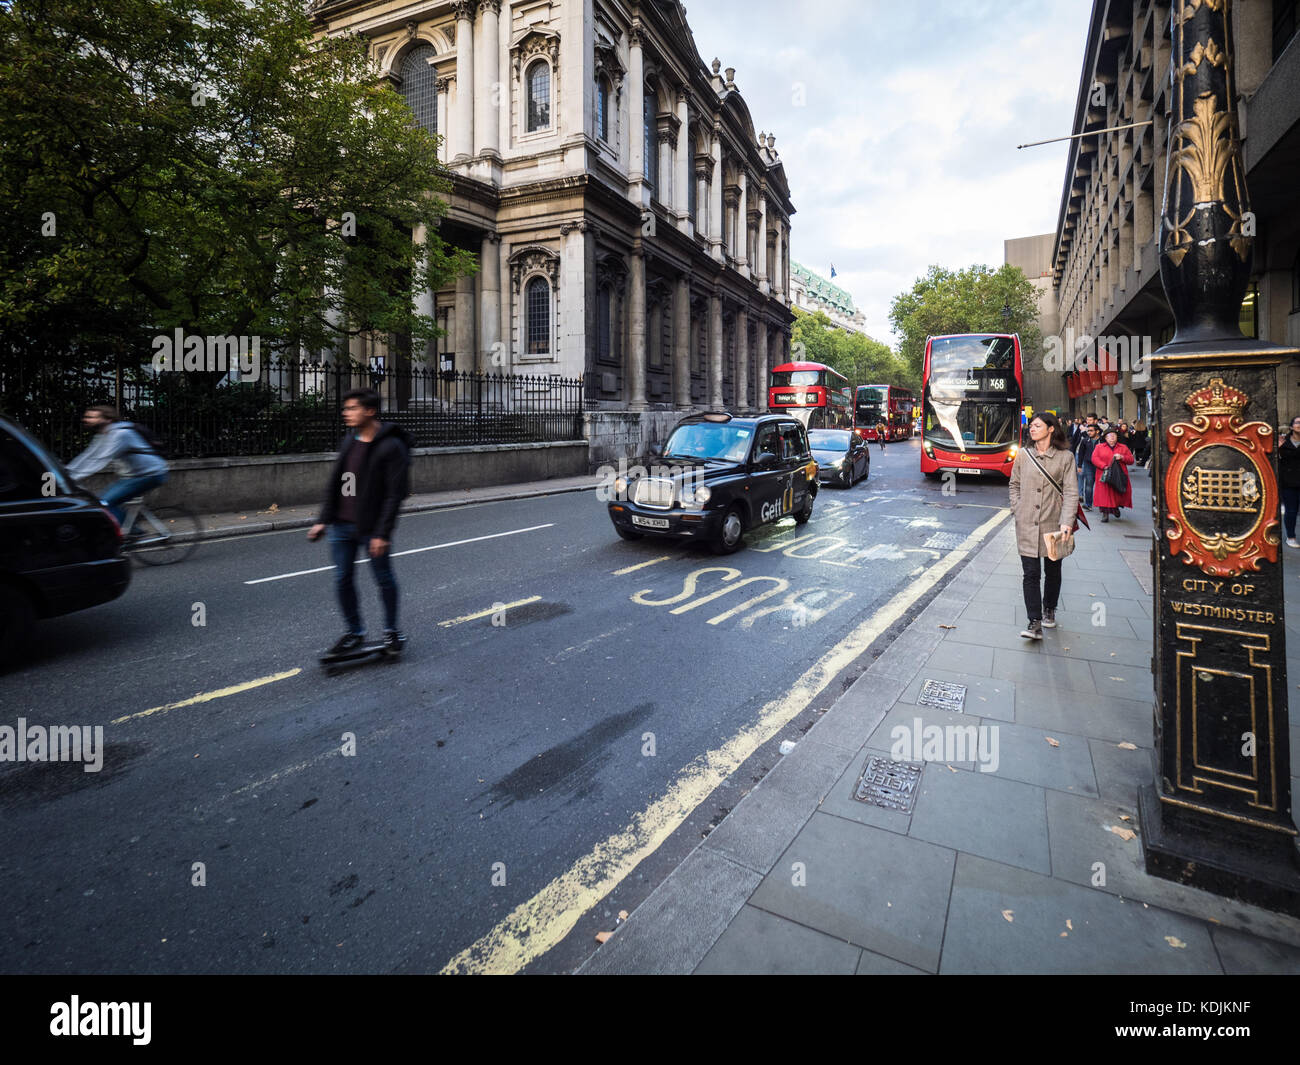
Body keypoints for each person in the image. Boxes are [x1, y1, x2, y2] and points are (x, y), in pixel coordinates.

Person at [308, 389, 413, 656]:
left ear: (370, 411)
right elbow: (339, 482)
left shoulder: (391, 446)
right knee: (343, 579)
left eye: (352, 408)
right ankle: (354, 632)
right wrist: (324, 519)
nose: (346, 413)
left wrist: (382, 533)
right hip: (341, 526)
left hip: (372, 530)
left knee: (383, 579)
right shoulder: (350, 441)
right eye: (346, 408)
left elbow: (394, 494)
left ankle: (392, 631)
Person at [1009, 411, 1078, 640]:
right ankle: (1034, 622)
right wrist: (1017, 509)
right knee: (1030, 573)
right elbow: (1014, 485)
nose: (1032, 428)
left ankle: (1049, 608)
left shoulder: (1065, 457)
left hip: (1053, 523)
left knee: (1053, 570)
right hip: (1026, 523)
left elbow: (1070, 492)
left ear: (1051, 429)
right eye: (1031, 426)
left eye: (1037, 425)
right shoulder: (1023, 455)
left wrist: (1067, 521)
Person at [65, 405, 170, 527]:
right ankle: (130, 531)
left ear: (108, 420)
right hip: (133, 476)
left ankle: (127, 535)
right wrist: (67, 472)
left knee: (104, 503)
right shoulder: (103, 435)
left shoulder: (120, 434)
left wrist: (71, 478)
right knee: (102, 501)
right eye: (87, 417)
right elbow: (88, 456)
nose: (86, 420)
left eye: (92, 417)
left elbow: (100, 460)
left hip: (151, 474)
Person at [1091, 427, 1135, 522]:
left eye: (1114, 435)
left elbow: (1131, 460)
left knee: (1116, 493)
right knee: (1104, 495)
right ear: (1105, 438)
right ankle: (1105, 514)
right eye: (1109, 436)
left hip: (1118, 475)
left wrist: (1122, 457)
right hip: (1104, 474)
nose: (1112, 437)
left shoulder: (1123, 447)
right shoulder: (1099, 447)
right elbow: (1094, 458)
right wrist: (1104, 466)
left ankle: (1115, 508)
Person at [1279, 416, 1300, 548]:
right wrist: (1278, 448)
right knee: (1291, 511)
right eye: (1298, 422)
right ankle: (1291, 537)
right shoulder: (1283, 442)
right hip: (1289, 482)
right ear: (1292, 427)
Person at [1075, 422, 1099, 510]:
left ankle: (1102, 504)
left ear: (1097, 431)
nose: (1089, 432)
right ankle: (1088, 504)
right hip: (1088, 464)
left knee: (1101, 485)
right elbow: (1081, 453)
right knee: (1089, 484)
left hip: (1100, 465)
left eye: (1091, 431)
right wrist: (1079, 465)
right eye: (1088, 431)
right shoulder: (1085, 440)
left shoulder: (1102, 440)